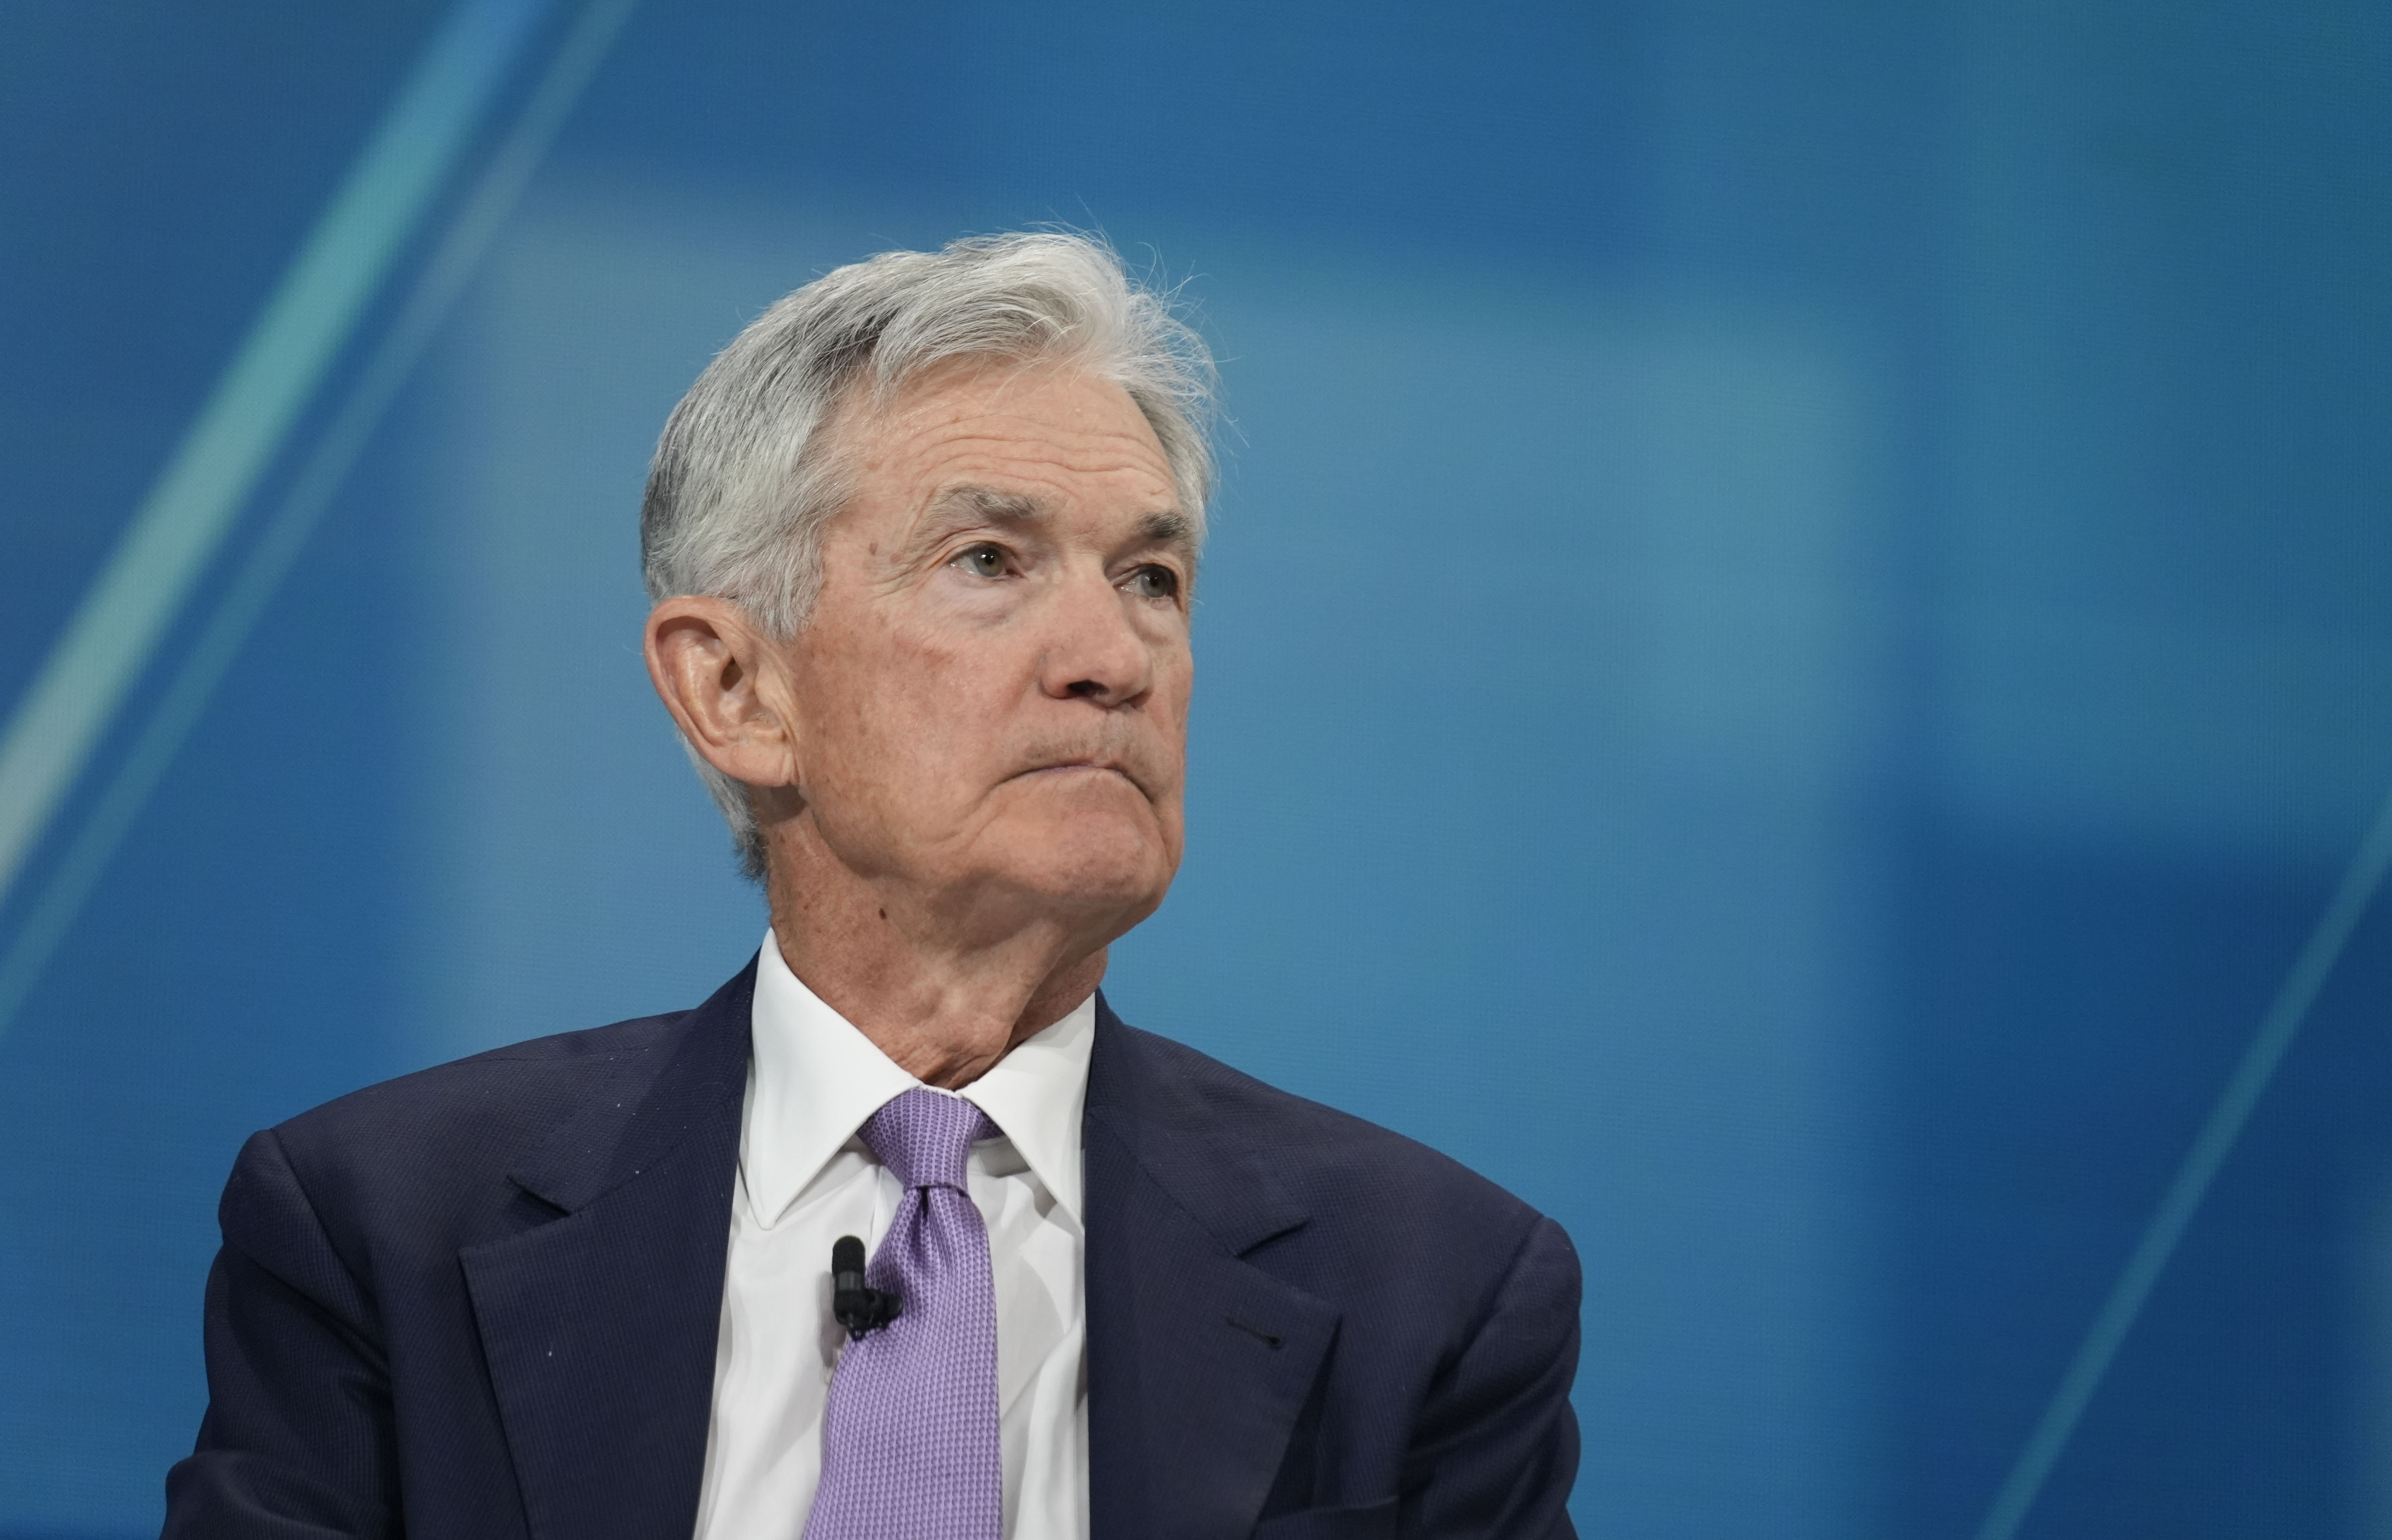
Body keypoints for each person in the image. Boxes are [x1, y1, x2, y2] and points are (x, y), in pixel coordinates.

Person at [162, 231, 1582, 1539]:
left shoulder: (1432, 1292)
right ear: (735, 689)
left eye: (1151, 576)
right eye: (989, 560)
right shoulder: (381, 1230)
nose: (1114, 657)